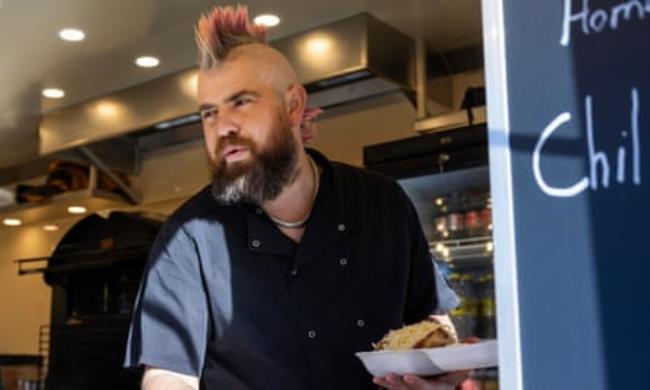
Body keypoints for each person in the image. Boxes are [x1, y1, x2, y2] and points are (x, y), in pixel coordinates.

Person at [124, 5, 467, 390]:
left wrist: (440, 374)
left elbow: (432, 326)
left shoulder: (382, 203)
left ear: (293, 105)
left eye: (241, 102)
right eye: (208, 113)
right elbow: (168, 376)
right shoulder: (189, 235)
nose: (223, 127)